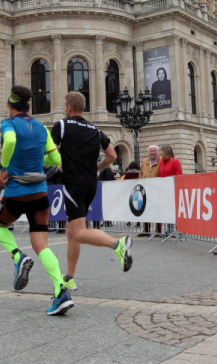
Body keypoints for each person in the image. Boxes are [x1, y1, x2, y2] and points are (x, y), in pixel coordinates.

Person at [0, 85, 72, 315]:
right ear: (29, 106)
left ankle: (19, 256)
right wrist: (38, 160)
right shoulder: (41, 126)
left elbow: (9, 142)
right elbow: (55, 158)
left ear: (10, 105)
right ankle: (60, 292)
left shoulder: (8, 124)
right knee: (42, 245)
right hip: (40, 193)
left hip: (17, 192)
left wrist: (4, 168)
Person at [51, 91, 132, 292]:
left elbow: (52, 152)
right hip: (90, 184)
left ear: (69, 108)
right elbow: (112, 155)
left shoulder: (61, 125)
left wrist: (57, 163)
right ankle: (69, 277)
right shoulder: (95, 129)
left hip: (73, 183)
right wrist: (96, 167)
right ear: (83, 108)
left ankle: (118, 244)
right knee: (71, 230)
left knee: (79, 233)